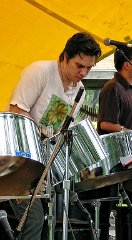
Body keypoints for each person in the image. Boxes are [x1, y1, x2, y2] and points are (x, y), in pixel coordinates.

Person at [8, 32, 101, 240]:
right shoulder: (40, 71)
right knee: (33, 221)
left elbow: (59, 134)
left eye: (89, 67)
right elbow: (17, 113)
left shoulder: (80, 92)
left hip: (39, 166)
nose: (84, 72)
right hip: (16, 161)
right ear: (65, 57)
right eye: (79, 65)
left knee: (46, 220)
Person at [97, 45, 132, 240]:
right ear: (127, 65)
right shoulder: (112, 88)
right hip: (115, 160)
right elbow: (105, 123)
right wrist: (129, 133)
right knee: (107, 209)